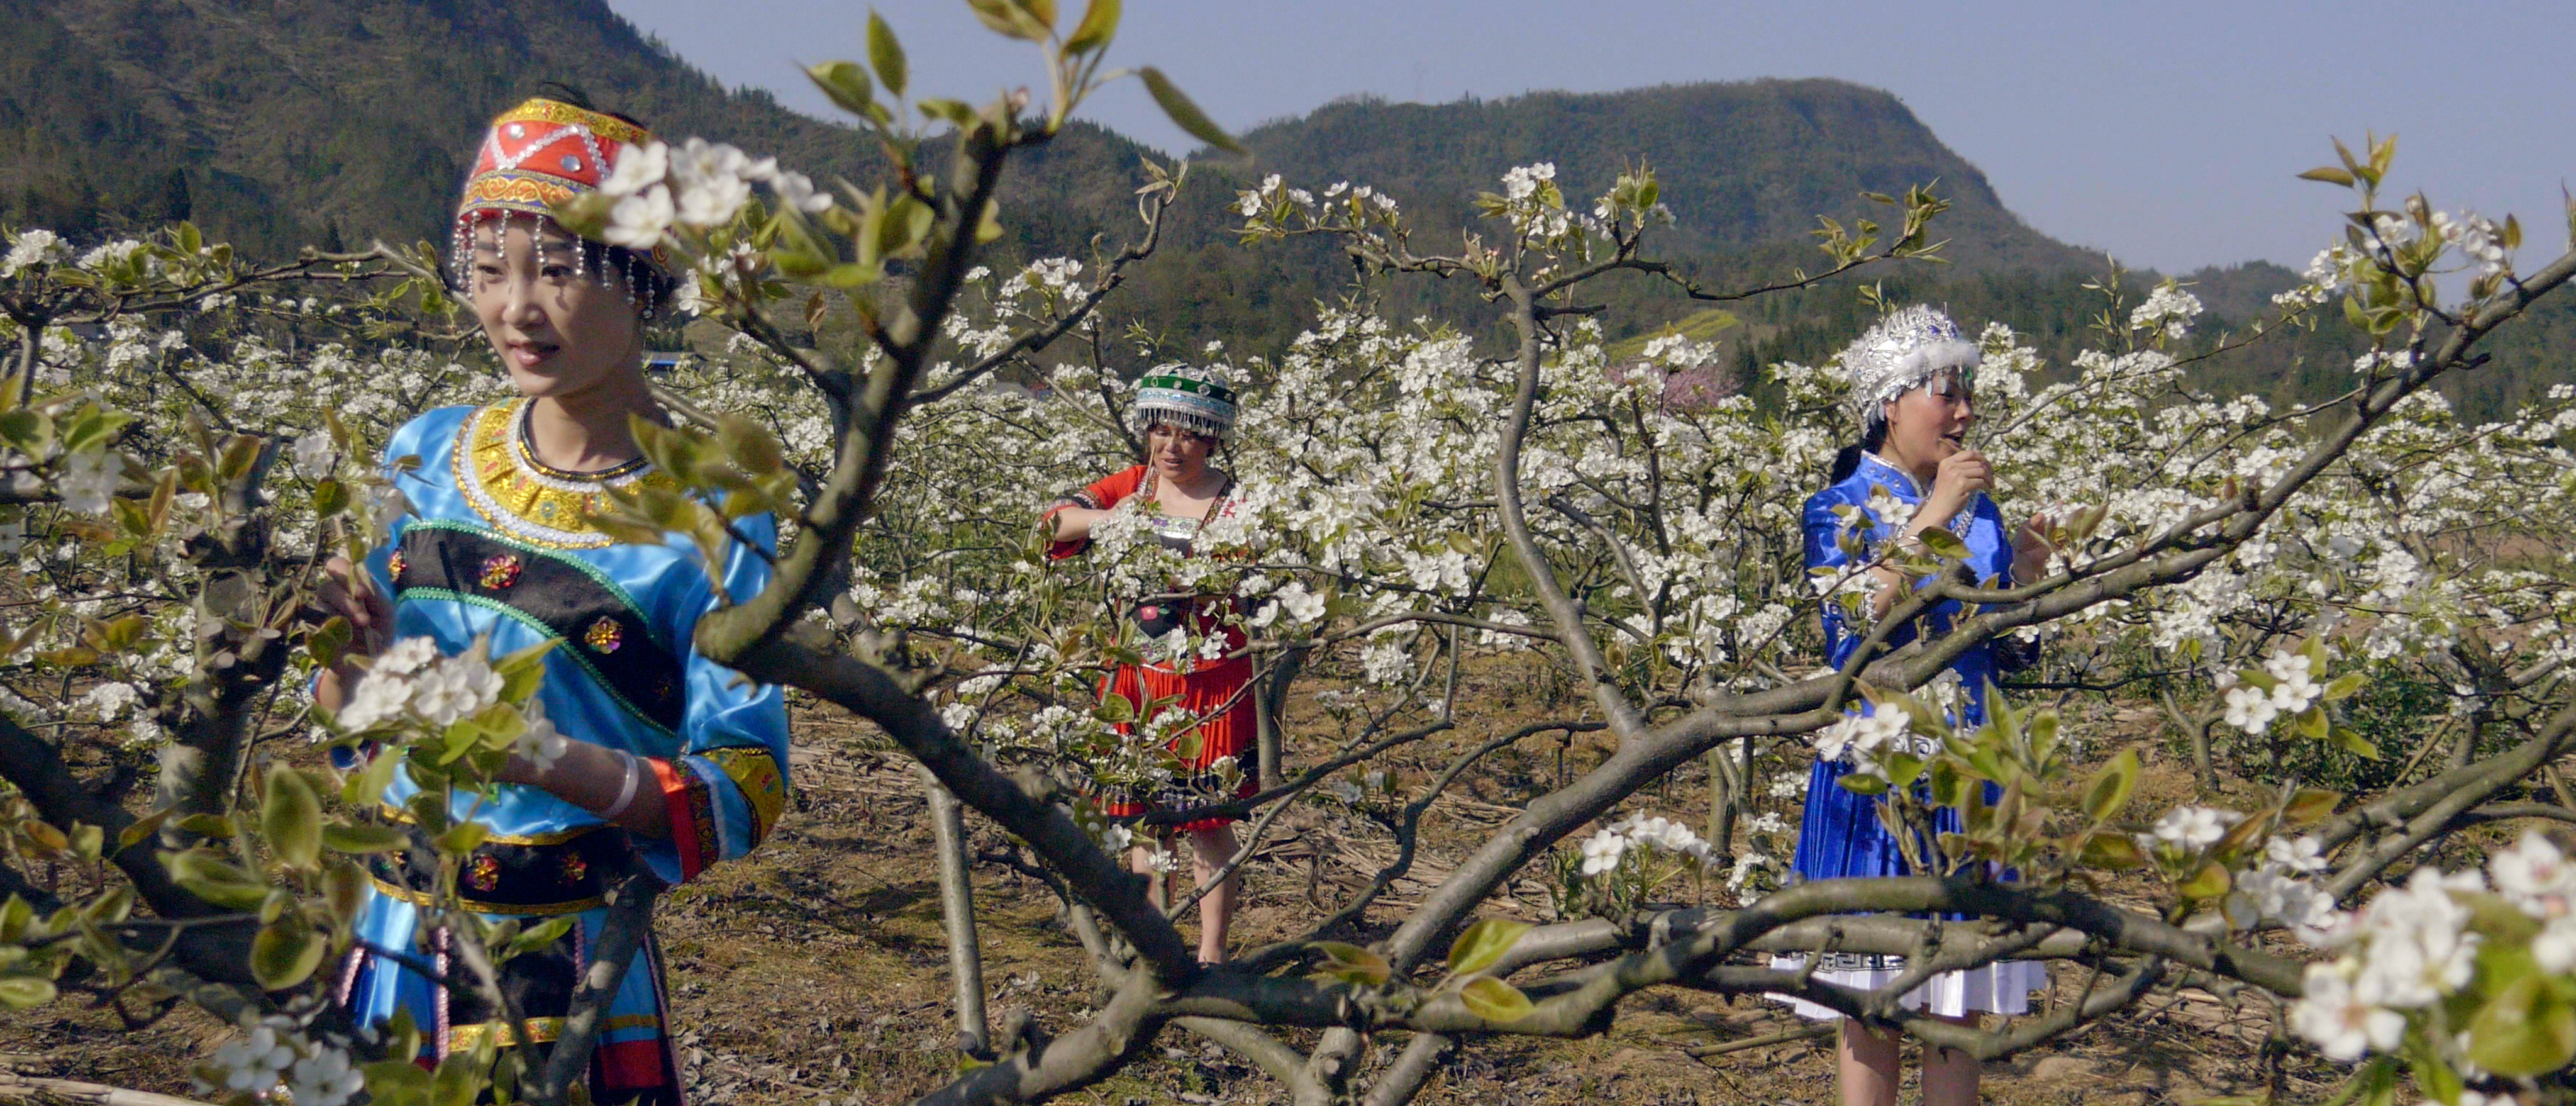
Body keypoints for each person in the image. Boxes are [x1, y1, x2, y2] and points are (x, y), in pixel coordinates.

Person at [314, 94, 789, 1106]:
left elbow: (743, 782)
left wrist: (537, 756)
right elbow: (354, 727)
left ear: (646, 277)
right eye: (491, 272)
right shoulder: (424, 452)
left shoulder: (714, 515)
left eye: (560, 272)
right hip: (393, 934)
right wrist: (347, 664)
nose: (516, 309)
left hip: (560, 957)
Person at [1777, 305, 2052, 1106]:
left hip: (1972, 766)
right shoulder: (1838, 506)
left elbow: (2002, 649)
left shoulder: (1981, 508)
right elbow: (1854, 633)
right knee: (1872, 1000)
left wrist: (2027, 579)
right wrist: (1935, 513)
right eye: (1945, 393)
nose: (1962, 413)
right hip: (1879, 767)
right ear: (1890, 403)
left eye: (1966, 395)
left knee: (1958, 997)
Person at [1043, 364, 1257, 964]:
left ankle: (1213, 954)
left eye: (1188, 434)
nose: (1172, 447)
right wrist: (1116, 521)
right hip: (1140, 681)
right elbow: (1055, 522)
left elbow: (1249, 569)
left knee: (1209, 821)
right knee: (1142, 815)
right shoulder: (1133, 486)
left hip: (1211, 687)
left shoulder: (1236, 501)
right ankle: (1156, 947)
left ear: (1212, 439)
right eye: (1161, 432)